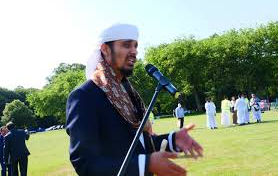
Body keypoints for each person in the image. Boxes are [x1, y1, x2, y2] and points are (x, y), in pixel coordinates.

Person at [65, 23, 203, 176]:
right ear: (105, 49)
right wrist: (145, 164)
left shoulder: (128, 94)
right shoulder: (85, 96)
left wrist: (172, 139)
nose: (134, 52)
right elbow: (86, 164)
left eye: (135, 46)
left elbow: (138, 144)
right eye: (126, 45)